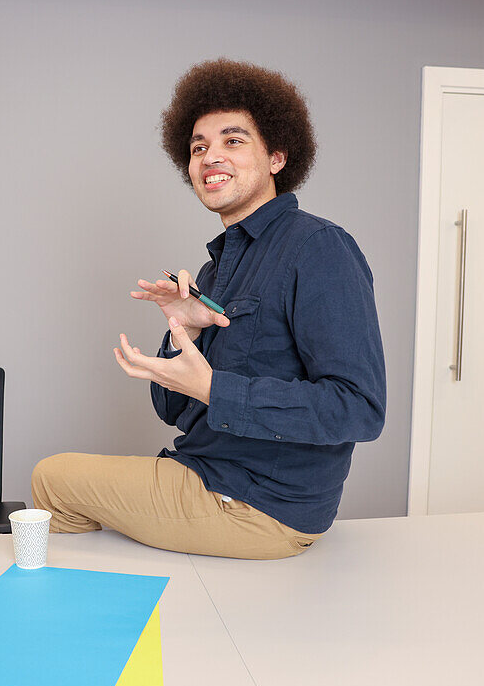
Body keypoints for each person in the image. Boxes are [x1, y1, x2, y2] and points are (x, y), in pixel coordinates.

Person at [31, 58, 386, 559]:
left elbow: (360, 409)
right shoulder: (216, 269)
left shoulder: (319, 248)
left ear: (278, 158)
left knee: (51, 480)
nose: (209, 157)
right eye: (199, 147)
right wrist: (185, 328)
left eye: (233, 141)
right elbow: (172, 410)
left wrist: (214, 388)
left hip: (258, 505)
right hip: (205, 473)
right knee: (72, 502)